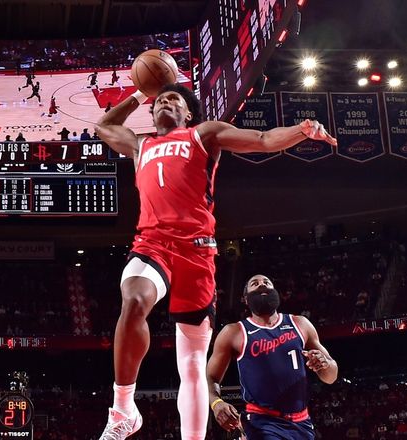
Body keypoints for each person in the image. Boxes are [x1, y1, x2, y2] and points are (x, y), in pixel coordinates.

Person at [93, 83, 336, 440]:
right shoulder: (139, 145)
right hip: (153, 243)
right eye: (160, 100)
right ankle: (124, 409)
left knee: (193, 365)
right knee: (134, 301)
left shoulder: (203, 134)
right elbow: (104, 127)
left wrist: (302, 130)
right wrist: (140, 92)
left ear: (188, 113)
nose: (166, 102)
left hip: (196, 252)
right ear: (152, 111)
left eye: (174, 99)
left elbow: (263, 139)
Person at [206, 274, 338, 440]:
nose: (262, 284)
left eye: (266, 282)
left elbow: (331, 377)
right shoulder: (234, 332)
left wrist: (324, 365)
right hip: (261, 422)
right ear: (245, 299)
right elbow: (210, 377)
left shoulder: (300, 323)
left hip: (302, 422)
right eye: (255, 283)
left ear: (275, 292)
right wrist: (216, 403)